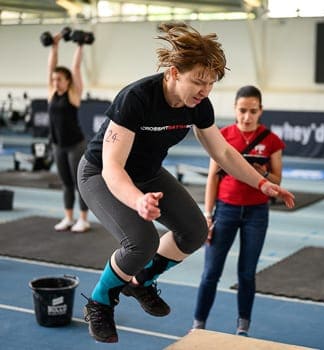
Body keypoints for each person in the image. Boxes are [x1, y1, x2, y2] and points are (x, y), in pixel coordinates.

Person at [77, 23, 294, 344]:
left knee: (194, 231)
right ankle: (99, 303)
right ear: (174, 73)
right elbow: (112, 168)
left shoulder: (198, 106)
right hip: (100, 174)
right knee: (141, 241)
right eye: (198, 81)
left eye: (211, 84)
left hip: (148, 173)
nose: (204, 90)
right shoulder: (136, 98)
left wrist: (262, 184)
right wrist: (138, 201)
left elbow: (222, 152)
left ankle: (140, 282)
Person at [192, 85, 286, 337]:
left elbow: (277, 181)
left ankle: (243, 327)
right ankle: (198, 325)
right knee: (211, 272)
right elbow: (212, 178)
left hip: (257, 214)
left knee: (246, 273)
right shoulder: (222, 135)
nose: (246, 116)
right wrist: (208, 215)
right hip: (225, 210)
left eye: (252, 111)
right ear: (235, 109)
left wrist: (262, 173)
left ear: (261, 111)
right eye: (242, 110)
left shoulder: (271, 140)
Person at [48, 31, 90, 233]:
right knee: (65, 183)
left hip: (75, 144)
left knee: (78, 183)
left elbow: (74, 68)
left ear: (67, 81)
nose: (55, 82)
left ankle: (83, 219)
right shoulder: (51, 94)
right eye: (54, 79)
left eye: (59, 79)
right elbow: (51, 67)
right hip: (58, 145)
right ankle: (68, 218)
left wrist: (79, 46)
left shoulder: (73, 95)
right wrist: (54, 46)